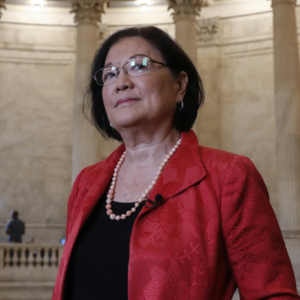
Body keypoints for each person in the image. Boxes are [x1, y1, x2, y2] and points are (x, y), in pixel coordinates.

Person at [52, 26, 300, 300]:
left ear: (180, 85)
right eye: (110, 74)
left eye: (138, 66)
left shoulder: (228, 176)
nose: (121, 82)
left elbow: (273, 293)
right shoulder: (86, 183)